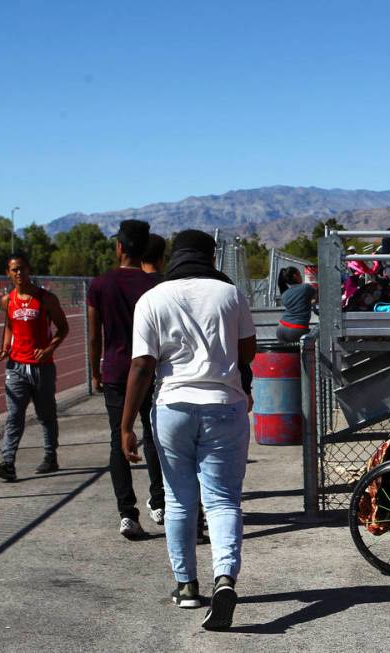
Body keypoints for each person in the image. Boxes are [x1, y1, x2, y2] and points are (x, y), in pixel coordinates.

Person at [121, 229, 256, 629]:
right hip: (224, 406)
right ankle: (225, 578)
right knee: (223, 500)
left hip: (173, 408)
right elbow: (248, 352)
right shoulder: (229, 294)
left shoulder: (153, 298)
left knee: (180, 501)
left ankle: (186, 587)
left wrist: (125, 424)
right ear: (210, 256)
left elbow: (143, 365)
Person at [88, 219, 166, 539]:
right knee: (154, 434)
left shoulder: (100, 284)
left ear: (119, 247)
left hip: (117, 371)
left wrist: (95, 371)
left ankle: (127, 513)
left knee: (118, 436)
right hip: (151, 369)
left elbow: (95, 335)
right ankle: (159, 501)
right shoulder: (155, 286)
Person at [0, 253, 69, 482]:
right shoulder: (8, 301)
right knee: (14, 415)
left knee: (46, 415)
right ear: (8, 273)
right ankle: (8, 463)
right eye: (14, 270)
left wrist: (49, 350)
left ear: (29, 270)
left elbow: (63, 328)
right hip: (16, 367)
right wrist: (4, 348)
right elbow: (10, 327)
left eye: (22, 268)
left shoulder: (45, 298)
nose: (19, 273)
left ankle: (50, 457)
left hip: (42, 367)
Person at [276, 266, 316, 343]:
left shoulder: (284, 294)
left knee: (287, 354)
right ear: (295, 276)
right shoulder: (305, 288)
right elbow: (318, 296)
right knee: (317, 340)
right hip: (297, 329)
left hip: (281, 328)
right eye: (300, 274)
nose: (301, 277)